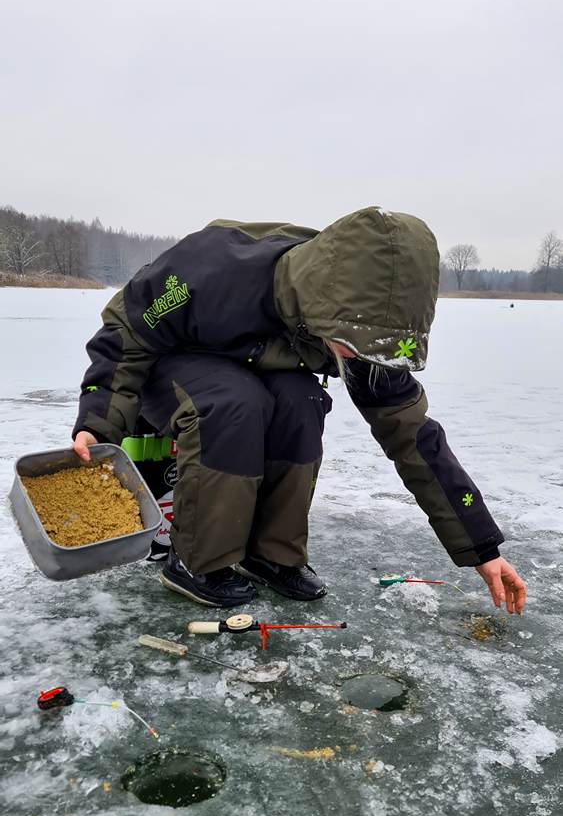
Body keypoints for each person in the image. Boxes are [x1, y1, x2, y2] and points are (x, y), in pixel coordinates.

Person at [72, 207, 526, 614]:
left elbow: (412, 434)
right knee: (234, 404)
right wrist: (98, 423)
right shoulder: (211, 270)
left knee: (300, 399)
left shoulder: (365, 334)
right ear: (322, 306)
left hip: (260, 362)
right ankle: (196, 560)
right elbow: (125, 334)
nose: (356, 359)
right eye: (352, 346)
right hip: (174, 361)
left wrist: (481, 546)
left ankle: (273, 553)